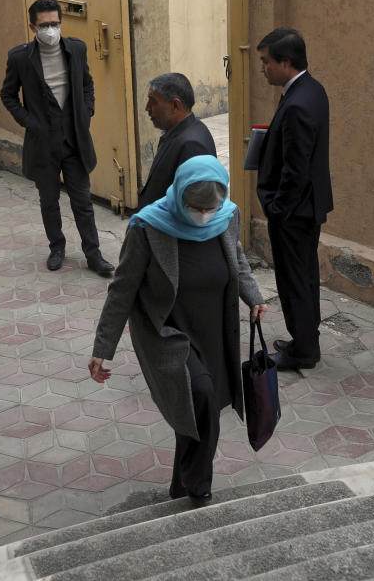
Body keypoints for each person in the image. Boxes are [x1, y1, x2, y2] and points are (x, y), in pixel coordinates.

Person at [88, 156, 267, 504]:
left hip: (214, 329)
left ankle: (180, 487)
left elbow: (238, 259)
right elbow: (122, 289)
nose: (204, 215)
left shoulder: (226, 216)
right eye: (196, 207)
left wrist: (254, 296)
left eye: (210, 208)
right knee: (199, 394)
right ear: (179, 196)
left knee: (199, 411)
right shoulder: (148, 227)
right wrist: (102, 347)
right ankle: (200, 489)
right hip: (168, 333)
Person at [0, 0, 114, 276]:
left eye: (55, 24)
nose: (51, 30)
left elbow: (87, 83)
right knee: (49, 200)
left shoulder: (76, 49)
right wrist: (29, 122)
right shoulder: (20, 58)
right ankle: (57, 247)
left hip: (74, 141)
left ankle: (93, 255)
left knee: (82, 201)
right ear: (32, 26)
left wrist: (87, 112)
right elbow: (8, 94)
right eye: (44, 25)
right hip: (43, 144)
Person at [255, 27, 332, 370]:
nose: (263, 68)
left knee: (295, 282)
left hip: (294, 213)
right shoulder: (310, 89)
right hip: (306, 208)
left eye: (266, 62)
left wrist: (277, 208)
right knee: (305, 278)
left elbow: (295, 170)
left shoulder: (299, 102)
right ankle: (305, 340)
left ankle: (303, 351)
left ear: (286, 62)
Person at [137, 72, 217, 209]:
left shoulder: (192, 145)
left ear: (175, 105)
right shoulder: (177, 132)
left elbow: (197, 211)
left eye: (153, 101)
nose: (147, 108)